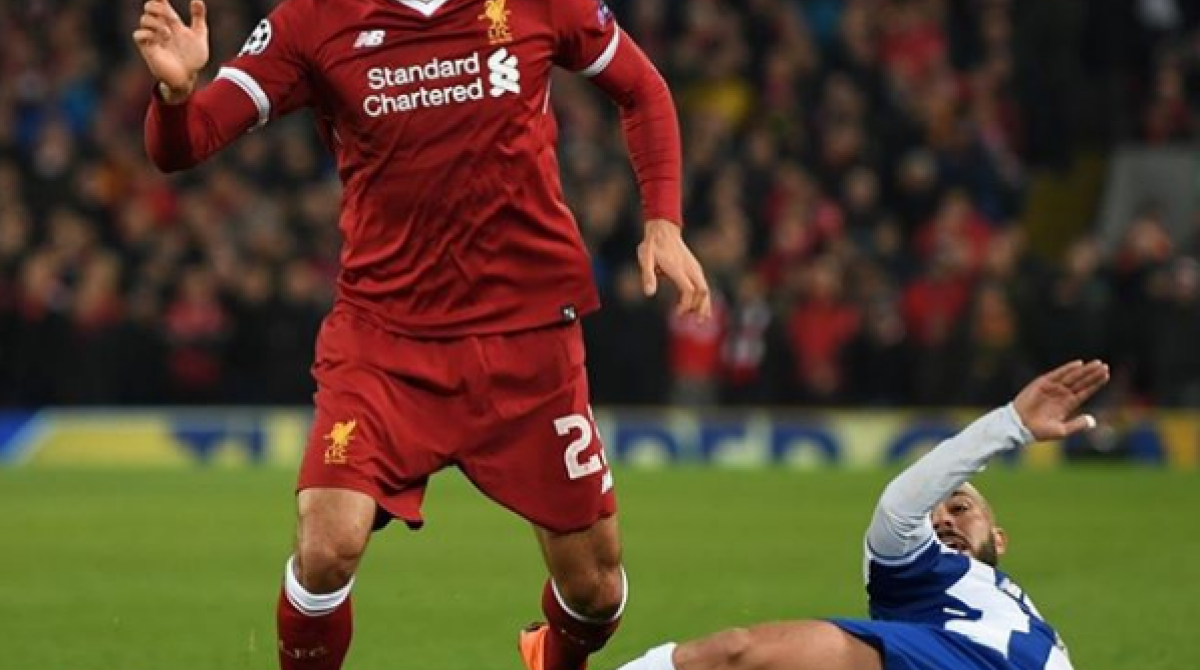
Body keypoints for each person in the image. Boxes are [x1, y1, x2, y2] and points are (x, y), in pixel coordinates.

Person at [131, 1, 711, 669]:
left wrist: (664, 222)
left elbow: (642, 87)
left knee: (595, 590)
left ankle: (551, 655)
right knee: (325, 548)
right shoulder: (315, 19)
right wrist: (176, 95)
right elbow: (185, 144)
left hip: (527, 339)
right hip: (385, 342)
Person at [614, 359, 1110, 670]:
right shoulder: (910, 569)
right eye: (935, 515)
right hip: (947, 658)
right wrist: (1009, 426)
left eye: (960, 508)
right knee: (735, 652)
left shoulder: (1006, 602)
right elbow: (903, 503)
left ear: (999, 539)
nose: (943, 520)